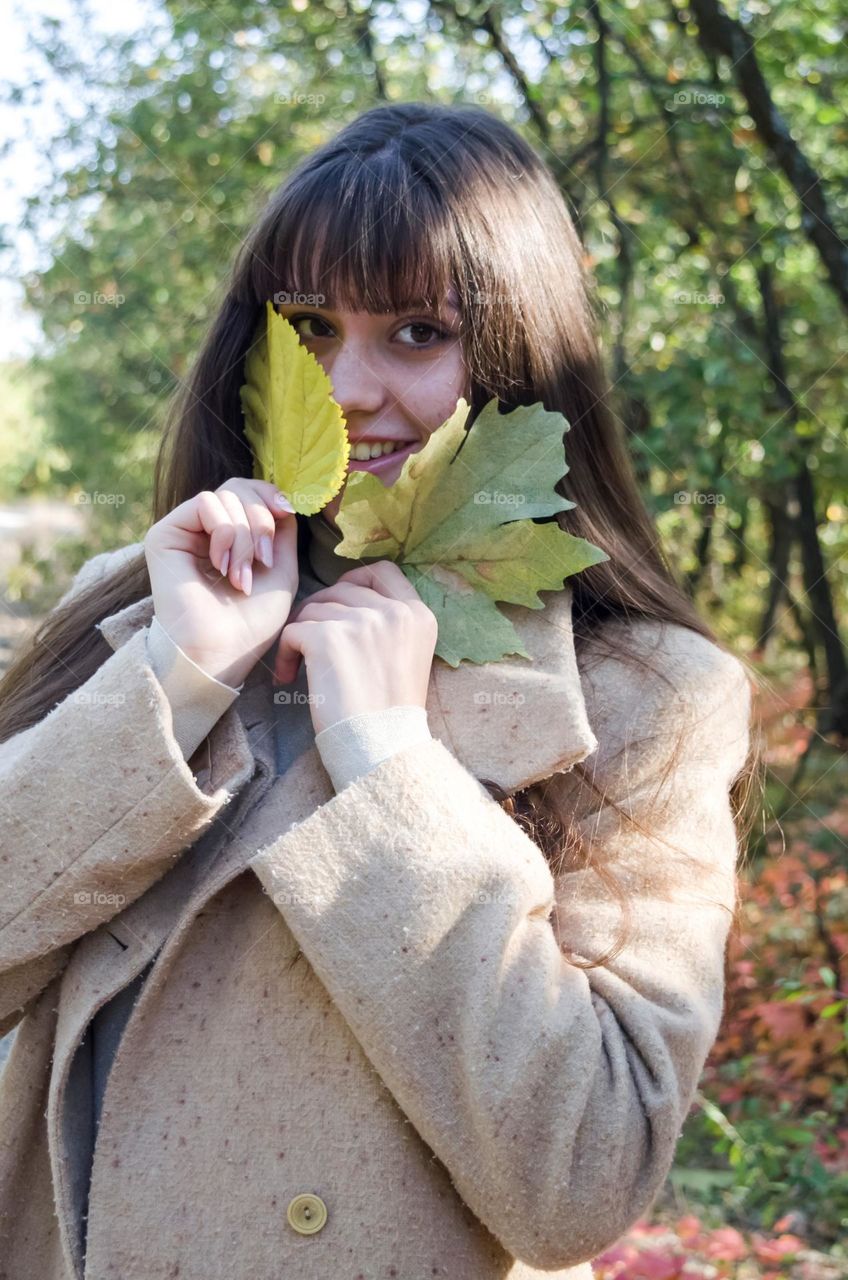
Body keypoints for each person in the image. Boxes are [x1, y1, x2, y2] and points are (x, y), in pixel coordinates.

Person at [0, 101, 758, 1279]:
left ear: (521, 354)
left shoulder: (647, 696)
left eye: (414, 331)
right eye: (306, 324)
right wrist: (178, 676)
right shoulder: (141, 605)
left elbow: (580, 1181)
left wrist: (389, 764)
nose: (347, 387)